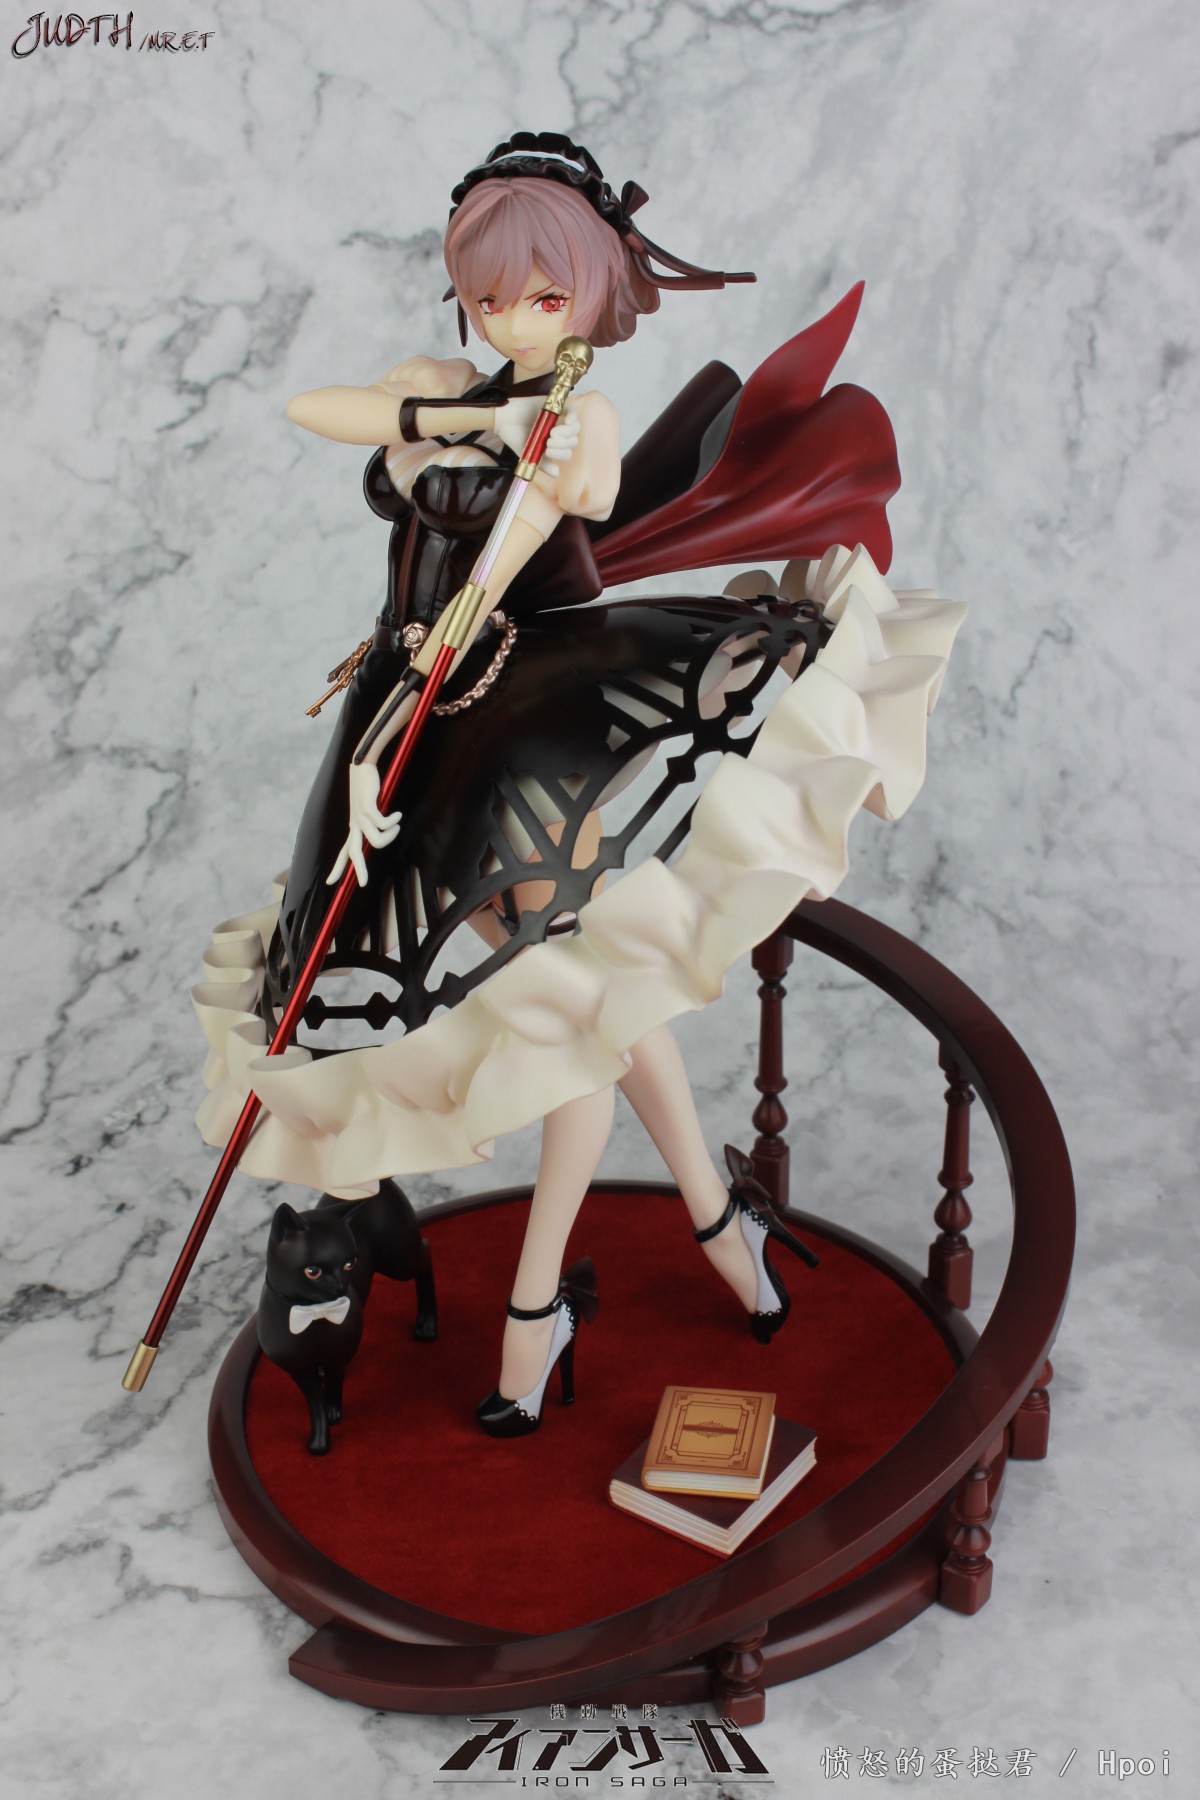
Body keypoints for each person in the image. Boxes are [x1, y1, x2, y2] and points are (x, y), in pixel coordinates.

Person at [192, 132, 964, 1435]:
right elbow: (316, 411)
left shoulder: (583, 417)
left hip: (528, 715)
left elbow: (566, 507)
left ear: (597, 292)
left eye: (545, 295)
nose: (515, 319)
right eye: (491, 294)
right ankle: (719, 1224)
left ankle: (537, 1306)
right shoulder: (447, 383)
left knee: (565, 1006)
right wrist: (469, 418)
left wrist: (517, 491)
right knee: (587, 991)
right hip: (409, 699)